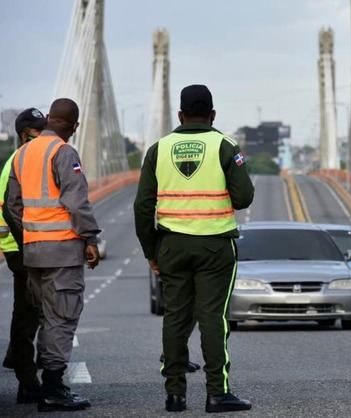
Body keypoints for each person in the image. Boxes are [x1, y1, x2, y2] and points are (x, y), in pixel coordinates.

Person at [134, 84, 254, 413]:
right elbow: (244, 198)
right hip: (215, 246)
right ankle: (217, 393)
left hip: (172, 245)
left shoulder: (158, 149)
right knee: (213, 318)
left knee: (174, 318)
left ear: (180, 115)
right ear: (213, 114)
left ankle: (175, 394)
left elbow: (143, 206)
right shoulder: (226, 146)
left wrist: (151, 251)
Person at [5, 98, 100, 412]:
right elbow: (76, 202)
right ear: (72, 125)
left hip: (32, 253)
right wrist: (89, 237)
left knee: (46, 317)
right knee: (62, 317)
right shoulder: (63, 152)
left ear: (48, 118)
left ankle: (46, 385)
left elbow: (12, 206)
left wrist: (29, 239)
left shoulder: (22, 155)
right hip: (62, 251)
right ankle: (54, 388)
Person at [0, 108, 46, 403]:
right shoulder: (17, 163)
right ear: (24, 135)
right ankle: (27, 382)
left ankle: (18, 363)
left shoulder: (28, 160)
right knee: (29, 316)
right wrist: (28, 246)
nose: (44, 136)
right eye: (38, 131)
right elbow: (10, 210)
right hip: (21, 250)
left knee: (31, 314)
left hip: (27, 248)